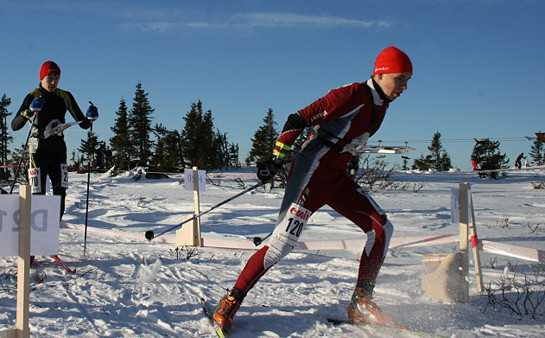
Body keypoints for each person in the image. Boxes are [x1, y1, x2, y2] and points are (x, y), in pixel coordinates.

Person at [213, 46, 413, 332]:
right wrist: (277, 157)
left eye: (408, 80)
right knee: (281, 244)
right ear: (381, 73)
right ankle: (231, 300)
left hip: (336, 178)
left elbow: (350, 137)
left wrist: (352, 155)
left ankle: (361, 302)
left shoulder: (381, 105)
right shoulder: (353, 95)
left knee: (381, 228)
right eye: (400, 78)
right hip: (310, 174)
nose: (404, 86)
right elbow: (299, 119)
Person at [11, 61, 93, 218]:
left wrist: (90, 118)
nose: (54, 82)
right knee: (37, 193)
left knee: (60, 191)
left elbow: (83, 123)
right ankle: (36, 234)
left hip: (58, 149)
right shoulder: (33, 96)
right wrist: (29, 111)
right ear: (42, 78)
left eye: (57, 78)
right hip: (38, 149)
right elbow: (15, 125)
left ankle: (55, 229)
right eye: (50, 78)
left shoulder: (65, 96)